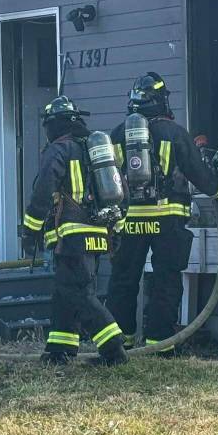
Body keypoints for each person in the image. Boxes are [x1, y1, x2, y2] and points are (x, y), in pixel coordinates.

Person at [107, 73, 218, 352]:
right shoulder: (174, 133)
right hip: (167, 219)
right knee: (166, 279)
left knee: (124, 279)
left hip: (129, 221)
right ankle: (159, 343)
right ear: (161, 99)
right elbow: (197, 171)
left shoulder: (118, 134)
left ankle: (121, 340)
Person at [20, 96, 128, 366]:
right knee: (65, 293)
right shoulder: (94, 150)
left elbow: (42, 191)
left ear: (53, 125)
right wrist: (116, 230)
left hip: (71, 236)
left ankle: (114, 350)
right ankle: (60, 350)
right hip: (98, 233)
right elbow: (121, 191)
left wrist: (30, 230)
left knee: (79, 294)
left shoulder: (59, 150)